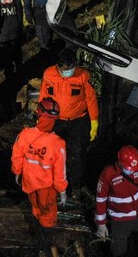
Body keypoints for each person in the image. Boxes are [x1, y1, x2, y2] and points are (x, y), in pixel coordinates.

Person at [38, 48, 98, 200]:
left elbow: (91, 99)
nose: (68, 72)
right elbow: (44, 97)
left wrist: (94, 122)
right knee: (54, 154)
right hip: (56, 121)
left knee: (78, 154)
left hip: (78, 121)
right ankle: (56, 185)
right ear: (58, 66)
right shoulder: (49, 74)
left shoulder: (83, 76)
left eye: (71, 68)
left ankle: (76, 186)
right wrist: (42, 118)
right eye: (65, 69)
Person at [11, 97, 67, 257]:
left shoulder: (25, 134)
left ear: (39, 113)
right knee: (48, 216)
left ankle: (40, 241)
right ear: (55, 118)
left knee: (35, 210)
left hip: (29, 182)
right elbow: (60, 170)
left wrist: (17, 172)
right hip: (46, 188)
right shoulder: (57, 143)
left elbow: (17, 155)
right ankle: (46, 244)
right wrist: (62, 190)